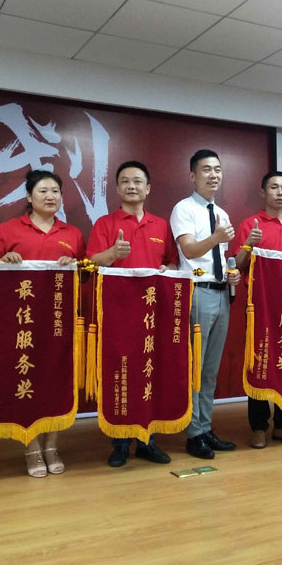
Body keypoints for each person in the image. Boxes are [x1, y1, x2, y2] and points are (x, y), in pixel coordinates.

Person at [0, 169, 85, 477]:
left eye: (55, 191)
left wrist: (74, 264)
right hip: (22, 322)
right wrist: (4, 261)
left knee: (56, 382)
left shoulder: (72, 233)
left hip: (58, 322)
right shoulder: (9, 229)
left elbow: (85, 273)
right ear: (29, 197)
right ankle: (31, 447)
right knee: (26, 380)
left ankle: (51, 446)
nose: (50, 196)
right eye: (43, 191)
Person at [87, 161, 178, 468]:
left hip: (153, 313)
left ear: (148, 188)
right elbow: (90, 262)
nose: (131, 186)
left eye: (137, 181)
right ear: (117, 188)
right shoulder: (105, 224)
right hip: (119, 314)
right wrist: (113, 254)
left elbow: (173, 262)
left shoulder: (160, 225)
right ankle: (121, 442)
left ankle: (148, 440)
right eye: (125, 181)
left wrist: (167, 269)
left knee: (150, 372)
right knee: (121, 372)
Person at [169, 149, 241, 460]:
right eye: (206, 170)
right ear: (192, 176)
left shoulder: (221, 213)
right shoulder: (183, 209)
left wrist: (232, 275)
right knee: (195, 368)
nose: (214, 175)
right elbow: (188, 249)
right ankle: (193, 433)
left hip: (221, 292)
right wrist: (215, 237)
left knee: (211, 369)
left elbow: (219, 258)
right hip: (197, 292)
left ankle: (206, 427)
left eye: (218, 169)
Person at [230, 171, 282, 449]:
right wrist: (249, 244)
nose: (279, 192)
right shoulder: (250, 224)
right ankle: (259, 427)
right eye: (274, 187)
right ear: (263, 193)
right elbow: (237, 265)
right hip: (259, 306)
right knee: (260, 364)